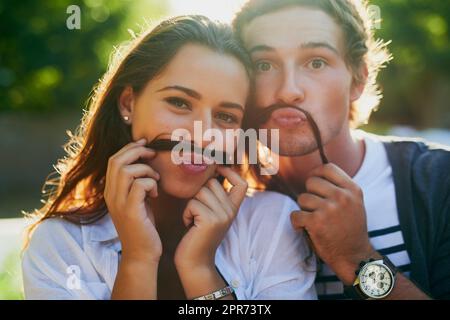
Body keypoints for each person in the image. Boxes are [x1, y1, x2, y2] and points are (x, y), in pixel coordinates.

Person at [21, 15, 317, 300]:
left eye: (226, 116)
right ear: (128, 103)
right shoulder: (62, 245)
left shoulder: (272, 223)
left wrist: (199, 268)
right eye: (179, 102)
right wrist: (138, 259)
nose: (203, 136)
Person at [233, 0, 450, 299]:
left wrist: (357, 258)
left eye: (316, 62)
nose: (288, 90)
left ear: (359, 78)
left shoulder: (438, 181)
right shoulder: (230, 203)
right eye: (263, 65)